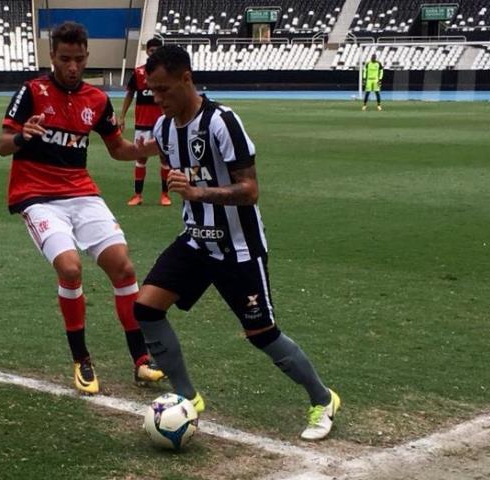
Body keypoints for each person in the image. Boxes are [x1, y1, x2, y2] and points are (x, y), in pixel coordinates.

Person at [132, 45, 341, 441]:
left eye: (163, 90)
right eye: (151, 92)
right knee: (146, 308)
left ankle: (322, 398)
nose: (157, 100)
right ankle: (187, 397)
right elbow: (133, 150)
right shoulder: (164, 127)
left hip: (237, 247)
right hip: (195, 241)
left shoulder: (221, 122)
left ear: (186, 79)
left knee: (262, 334)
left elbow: (250, 190)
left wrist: (199, 193)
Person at [0, 22, 164, 395]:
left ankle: (141, 360)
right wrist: (24, 135)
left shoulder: (96, 99)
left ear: (87, 57)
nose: (72, 66)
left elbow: (119, 149)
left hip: (82, 194)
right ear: (52, 57)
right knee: (70, 269)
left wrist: (153, 147)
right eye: (64, 59)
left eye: (78, 59)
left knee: (123, 267)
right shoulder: (31, 92)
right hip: (37, 196)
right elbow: (3, 145)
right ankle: (81, 358)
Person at [119, 37, 171, 207]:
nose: (154, 53)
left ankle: (164, 195)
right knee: (141, 157)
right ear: (147, 52)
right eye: (151, 50)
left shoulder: (167, 73)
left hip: (162, 123)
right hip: (142, 123)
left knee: (164, 159)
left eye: (157, 50)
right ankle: (138, 195)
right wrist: (122, 116)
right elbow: (129, 94)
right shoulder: (139, 72)